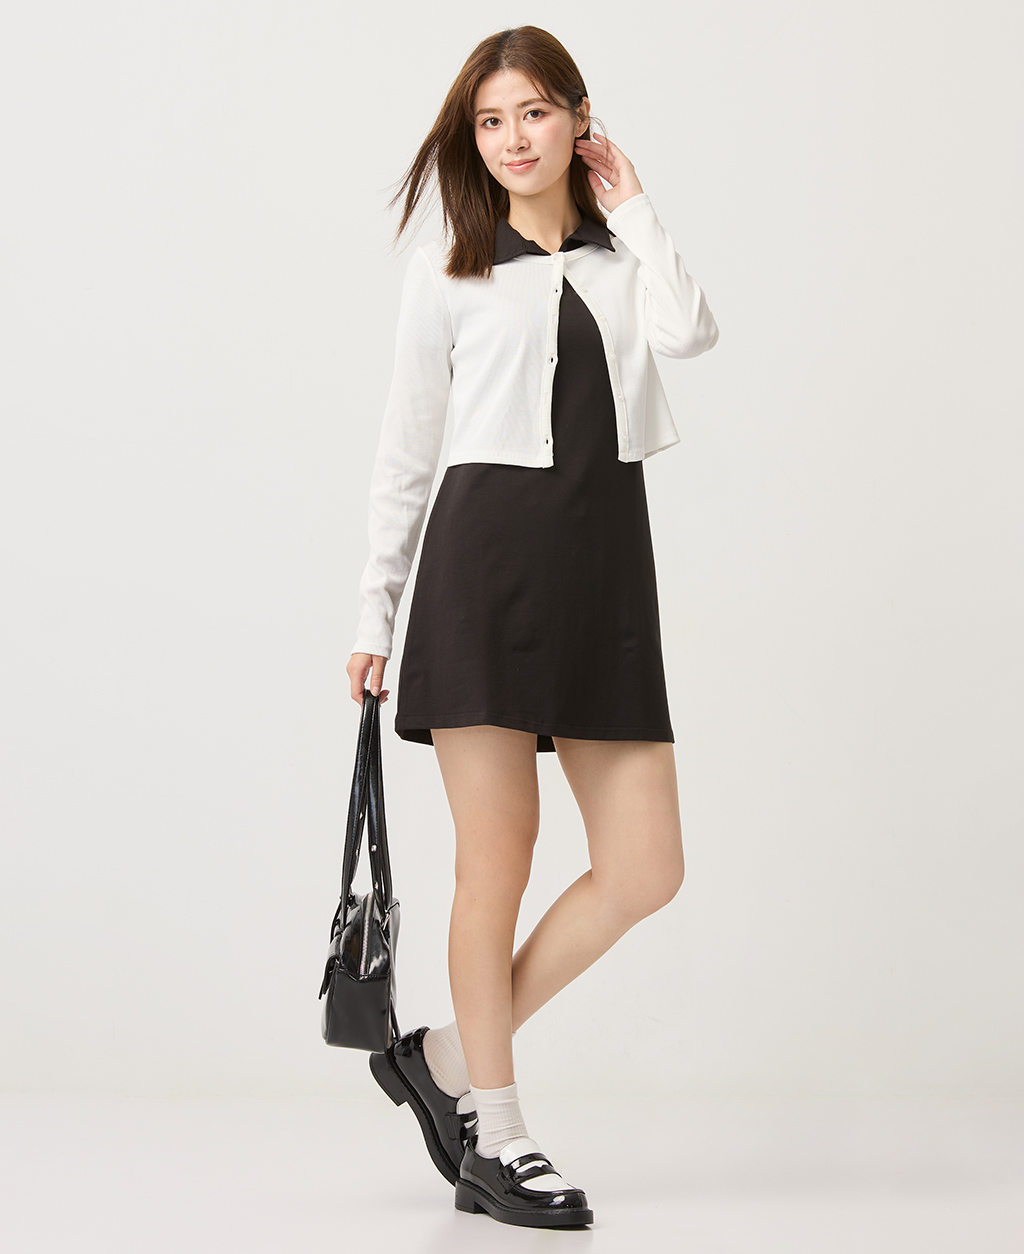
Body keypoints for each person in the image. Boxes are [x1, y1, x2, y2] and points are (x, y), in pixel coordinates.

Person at [347, 25, 719, 1229]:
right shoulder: (448, 272)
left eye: (534, 114)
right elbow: (406, 452)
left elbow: (690, 331)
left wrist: (636, 204)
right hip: (482, 579)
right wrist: (375, 609)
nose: (512, 139)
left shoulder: (622, 260)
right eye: (491, 121)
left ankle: (445, 1057)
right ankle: (495, 1136)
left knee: (646, 868)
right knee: (494, 864)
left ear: (577, 119)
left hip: (604, 582)